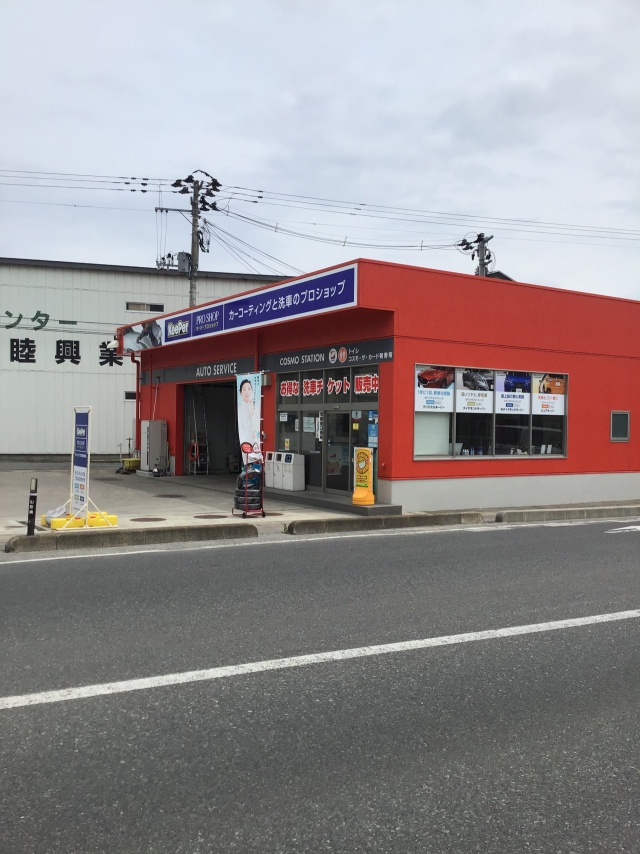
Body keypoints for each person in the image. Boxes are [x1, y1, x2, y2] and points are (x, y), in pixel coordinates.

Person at [237, 378, 261, 450]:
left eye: (249, 389)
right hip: (247, 443)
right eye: (244, 389)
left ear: (252, 390)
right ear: (241, 393)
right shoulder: (240, 409)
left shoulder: (256, 406)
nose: (247, 392)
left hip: (256, 442)